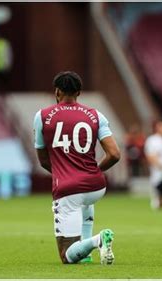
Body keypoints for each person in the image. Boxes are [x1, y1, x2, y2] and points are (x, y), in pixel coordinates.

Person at [33, 71, 120, 265]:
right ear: (79, 93)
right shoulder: (96, 115)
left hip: (68, 189)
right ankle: (86, 254)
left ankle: (98, 240)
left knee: (66, 255)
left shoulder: (42, 116)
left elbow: (43, 159)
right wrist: (94, 170)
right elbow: (114, 154)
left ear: (57, 92)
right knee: (84, 199)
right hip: (96, 186)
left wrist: (64, 175)